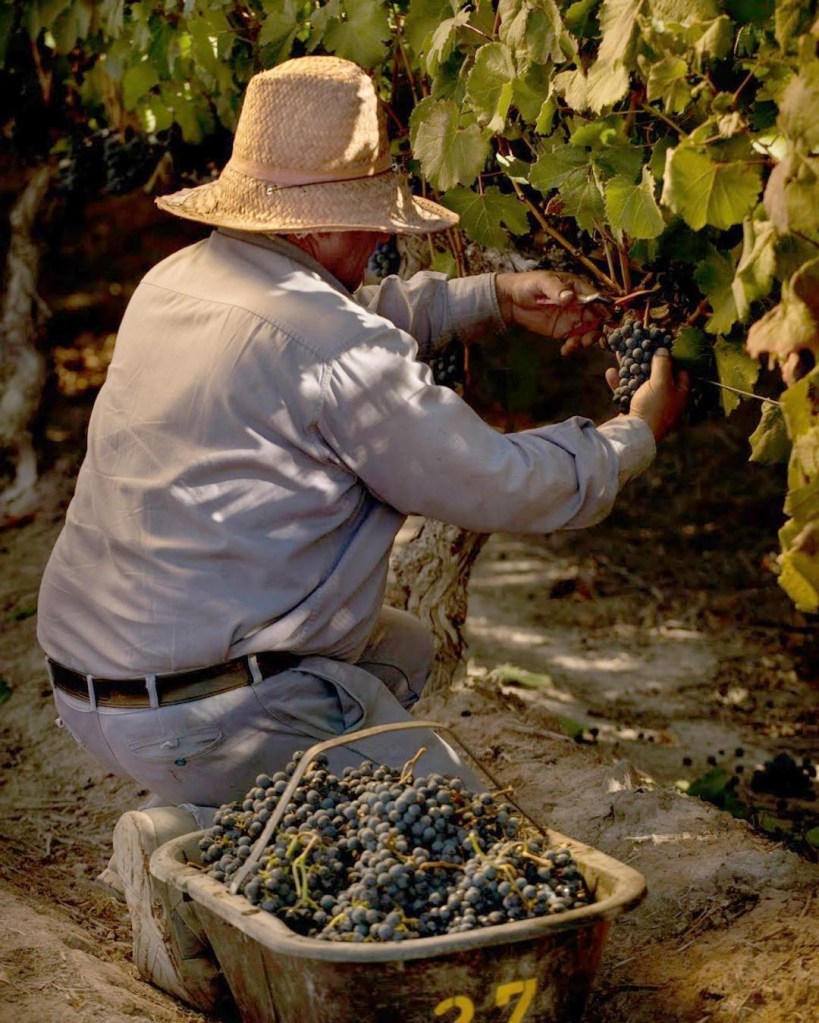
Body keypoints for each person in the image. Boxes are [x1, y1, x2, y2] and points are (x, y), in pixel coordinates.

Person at [36, 55, 688, 1009]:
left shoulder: (177, 281)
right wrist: (633, 435)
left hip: (94, 681)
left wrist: (488, 302)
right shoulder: (330, 345)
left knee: (402, 647)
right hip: (204, 711)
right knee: (456, 865)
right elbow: (501, 483)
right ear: (318, 221)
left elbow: (334, 329)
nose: (381, 242)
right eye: (371, 221)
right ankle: (211, 849)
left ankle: (209, 819)